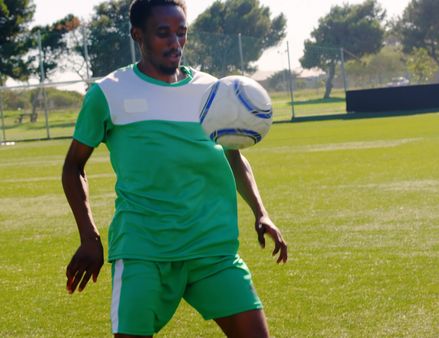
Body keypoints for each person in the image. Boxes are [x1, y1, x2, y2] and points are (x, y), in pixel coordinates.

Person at [61, 1, 287, 337]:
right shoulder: (108, 93)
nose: (175, 43)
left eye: (181, 33)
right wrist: (90, 236)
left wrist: (261, 211)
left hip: (212, 250)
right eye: (163, 33)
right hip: (144, 251)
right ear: (138, 35)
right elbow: (73, 167)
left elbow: (232, 156)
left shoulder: (213, 91)